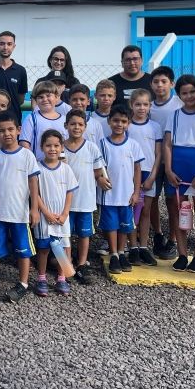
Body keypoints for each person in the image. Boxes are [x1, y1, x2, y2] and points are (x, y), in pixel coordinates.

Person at [0, 111, 40, 303]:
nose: (7, 134)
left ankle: (23, 284)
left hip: (20, 215)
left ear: (19, 130)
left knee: (23, 250)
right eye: (2, 131)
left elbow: (33, 184)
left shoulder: (27, 156)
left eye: (11, 129)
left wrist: (34, 208)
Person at [164, 75, 195, 273]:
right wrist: (168, 169)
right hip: (177, 166)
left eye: (192, 92)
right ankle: (182, 254)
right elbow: (167, 144)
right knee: (179, 209)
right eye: (184, 92)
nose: (189, 96)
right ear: (179, 95)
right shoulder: (174, 115)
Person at [97, 105, 144, 275]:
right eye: (116, 120)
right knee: (111, 225)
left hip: (126, 194)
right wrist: (99, 178)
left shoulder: (133, 145)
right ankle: (114, 254)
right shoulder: (102, 144)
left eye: (123, 121)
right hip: (108, 194)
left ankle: (122, 252)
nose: (119, 124)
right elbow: (97, 167)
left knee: (125, 225)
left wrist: (136, 192)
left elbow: (137, 169)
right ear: (109, 121)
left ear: (129, 123)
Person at [34, 129, 79, 296]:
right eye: (48, 145)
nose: (52, 149)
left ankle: (61, 278)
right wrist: (45, 212)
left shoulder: (66, 169)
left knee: (61, 248)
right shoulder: (37, 168)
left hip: (62, 216)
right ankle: (41, 278)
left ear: (61, 147)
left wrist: (65, 213)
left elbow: (70, 192)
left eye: (56, 145)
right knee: (44, 249)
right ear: (41, 147)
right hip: (45, 216)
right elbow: (35, 193)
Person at [64, 110, 106, 284]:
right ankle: (66, 265)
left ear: (85, 127)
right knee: (64, 235)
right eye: (73, 124)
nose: (76, 127)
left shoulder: (91, 147)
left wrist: (103, 180)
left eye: (80, 124)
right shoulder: (60, 147)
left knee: (84, 234)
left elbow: (98, 172)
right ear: (66, 125)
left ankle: (82, 264)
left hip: (85, 200)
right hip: (64, 202)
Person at [148, 66, 181, 259]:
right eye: (156, 82)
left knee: (172, 201)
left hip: (172, 160)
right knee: (151, 200)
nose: (159, 85)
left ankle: (173, 239)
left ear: (171, 83)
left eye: (163, 81)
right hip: (152, 160)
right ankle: (158, 234)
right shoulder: (148, 106)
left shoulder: (178, 104)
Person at [126, 89, 161, 267]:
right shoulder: (127, 126)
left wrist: (152, 177)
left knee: (146, 210)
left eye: (145, 104)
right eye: (138, 104)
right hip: (131, 174)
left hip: (148, 174)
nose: (141, 108)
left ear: (150, 106)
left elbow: (158, 153)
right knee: (132, 211)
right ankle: (132, 247)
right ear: (131, 105)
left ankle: (143, 246)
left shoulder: (155, 127)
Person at [19, 81, 67, 161]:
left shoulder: (64, 120)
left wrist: (62, 162)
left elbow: (65, 145)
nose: (45, 99)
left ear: (57, 97)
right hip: (38, 166)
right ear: (36, 100)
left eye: (48, 96)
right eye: (40, 97)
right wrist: (33, 164)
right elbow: (24, 143)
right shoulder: (31, 118)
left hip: (59, 167)